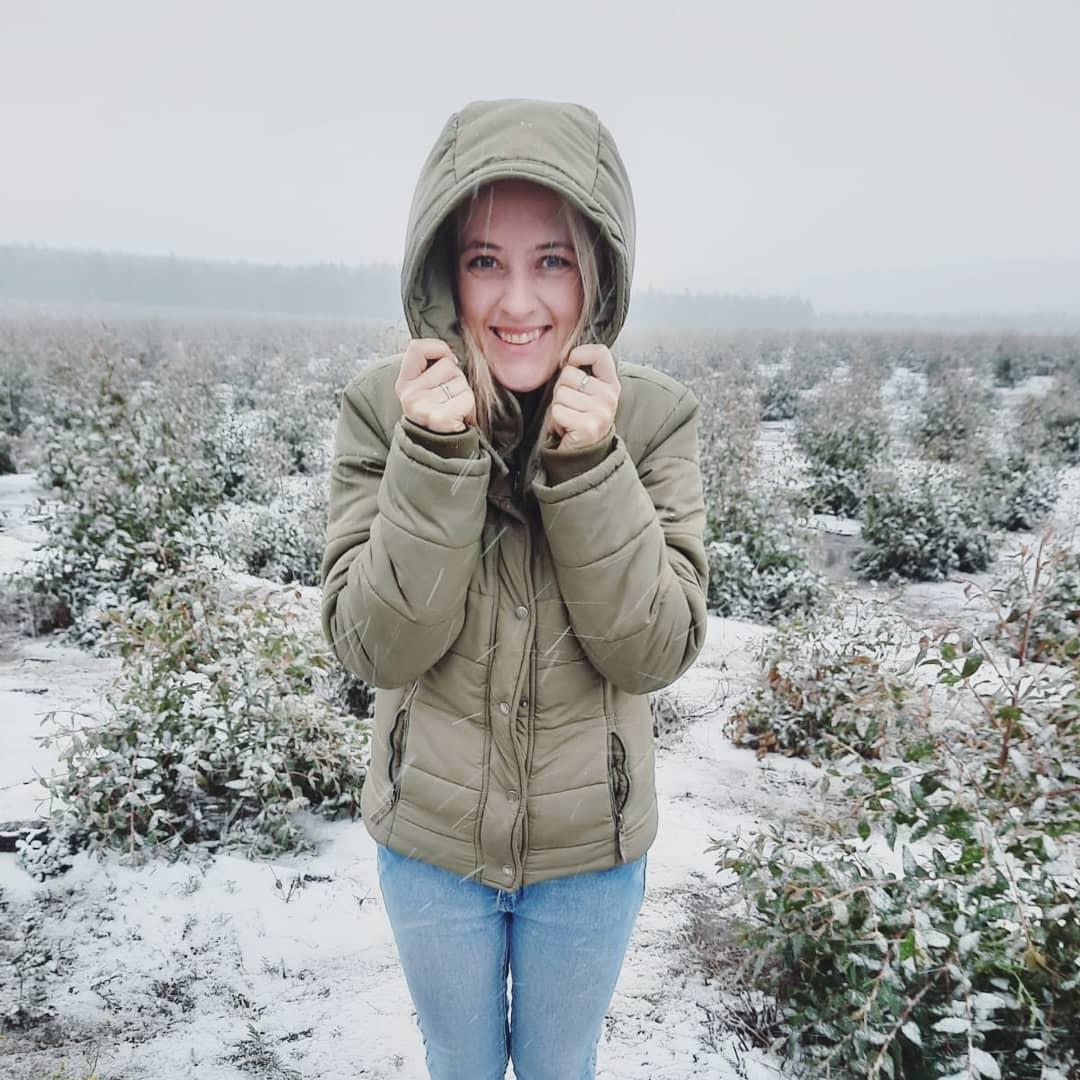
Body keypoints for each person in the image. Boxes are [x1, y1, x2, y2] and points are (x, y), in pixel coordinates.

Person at [321, 98, 709, 1080]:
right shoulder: (382, 410)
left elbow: (652, 650)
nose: (519, 301)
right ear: (442, 274)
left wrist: (591, 467)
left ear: (599, 275)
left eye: (554, 261)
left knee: (558, 1066)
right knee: (458, 1061)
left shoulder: (654, 421)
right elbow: (376, 646)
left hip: (589, 858)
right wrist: (434, 455)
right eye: (486, 260)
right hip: (430, 845)